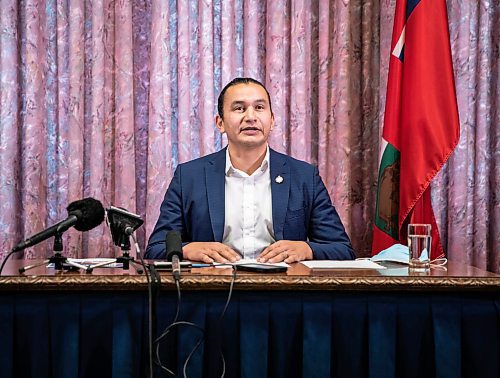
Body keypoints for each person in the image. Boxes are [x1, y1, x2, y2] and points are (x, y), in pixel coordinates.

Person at [145, 77, 354, 263]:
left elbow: (342, 249)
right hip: (213, 291)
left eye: (260, 108)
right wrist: (188, 249)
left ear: (272, 121)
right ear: (220, 123)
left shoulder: (304, 177)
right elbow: (155, 249)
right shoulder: (189, 177)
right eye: (239, 108)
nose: (251, 117)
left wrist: (306, 248)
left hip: (284, 291)